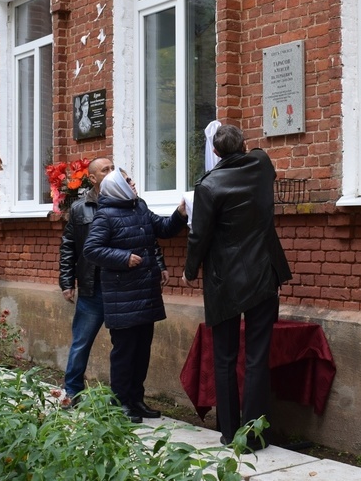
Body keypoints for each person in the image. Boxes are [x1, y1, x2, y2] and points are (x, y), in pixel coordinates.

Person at [181, 124, 292, 450]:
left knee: (225, 357)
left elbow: (198, 236)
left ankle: (230, 433)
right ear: (244, 145)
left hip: (224, 280)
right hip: (262, 274)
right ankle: (255, 435)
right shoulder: (262, 164)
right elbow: (256, 156)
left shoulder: (208, 186)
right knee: (257, 356)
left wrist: (189, 270)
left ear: (214, 153)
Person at [58, 157, 170, 407]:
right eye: (104, 169)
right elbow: (69, 246)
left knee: (128, 346)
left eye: (112, 168)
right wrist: (67, 280)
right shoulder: (80, 208)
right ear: (93, 178)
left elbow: (146, 238)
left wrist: (159, 264)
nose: (110, 172)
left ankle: (128, 400)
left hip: (124, 286)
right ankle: (72, 392)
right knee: (81, 342)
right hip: (94, 285)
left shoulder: (134, 202)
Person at [83, 169, 187, 423]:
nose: (133, 183)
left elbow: (161, 229)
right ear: (118, 186)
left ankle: (136, 401)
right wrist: (123, 258)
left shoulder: (139, 207)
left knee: (142, 351)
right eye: (128, 181)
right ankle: (120, 404)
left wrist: (180, 214)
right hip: (123, 296)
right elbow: (91, 249)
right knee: (125, 353)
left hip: (145, 292)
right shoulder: (105, 215)